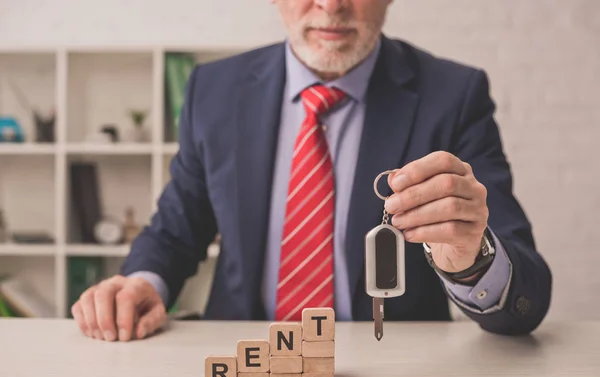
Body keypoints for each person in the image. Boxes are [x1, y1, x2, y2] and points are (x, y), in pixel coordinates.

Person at [71, 0, 552, 342]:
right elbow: (177, 230)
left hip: (396, 371)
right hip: (245, 363)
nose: (330, 4)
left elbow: (527, 293)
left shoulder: (455, 95)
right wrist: (142, 282)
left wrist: (472, 257)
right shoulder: (212, 90)